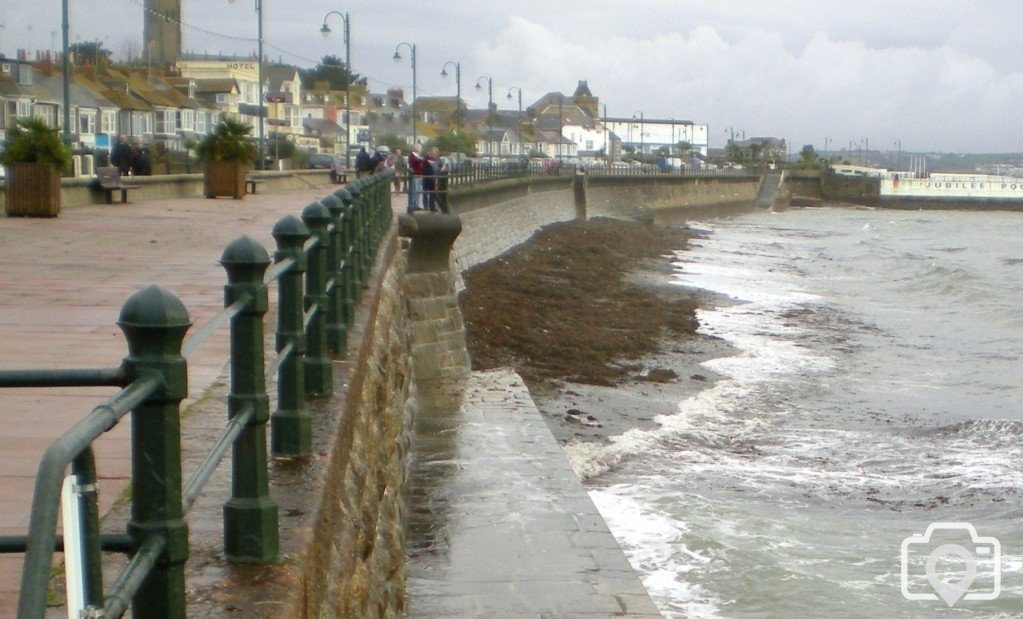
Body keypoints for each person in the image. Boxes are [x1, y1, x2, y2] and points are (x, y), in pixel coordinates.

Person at [407, 144, 426, 213]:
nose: (421, 150)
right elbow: (417, 161)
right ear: (417, 149)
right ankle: (413, 205)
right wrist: (423, 160)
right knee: (415, 190)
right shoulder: (412, 155)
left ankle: (416, 205)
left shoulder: (418, 156)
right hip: (415, 175)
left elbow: (421, 161)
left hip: (419, 175)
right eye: (420, 148)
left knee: (418, 190)